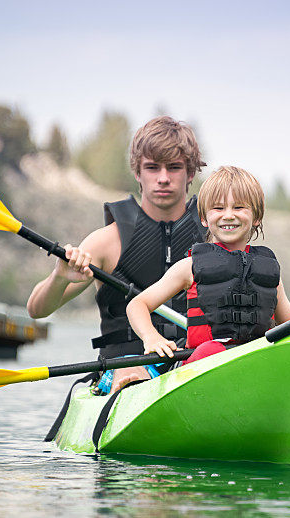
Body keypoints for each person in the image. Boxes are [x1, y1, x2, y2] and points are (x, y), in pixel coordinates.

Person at [27, 116, 207, 392]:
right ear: (137, 172)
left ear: (190, 173)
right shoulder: (105, 242)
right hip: (124, 369)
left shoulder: (211, 237)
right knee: (132, 372)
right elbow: (37, 310)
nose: (162, 178)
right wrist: (60, 276)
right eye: (152, 167)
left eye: (174, 168)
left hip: (193, 366)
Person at [126, 166, 290, 364]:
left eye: (239, 207)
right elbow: (138, 304)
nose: (229, 215)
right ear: (204, 218)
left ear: (256, 217)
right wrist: (151, 337)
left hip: (253, 360)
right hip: (203, 364)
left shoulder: (268, 271)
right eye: (218, 208)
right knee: (211, 350)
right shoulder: (190, 266)